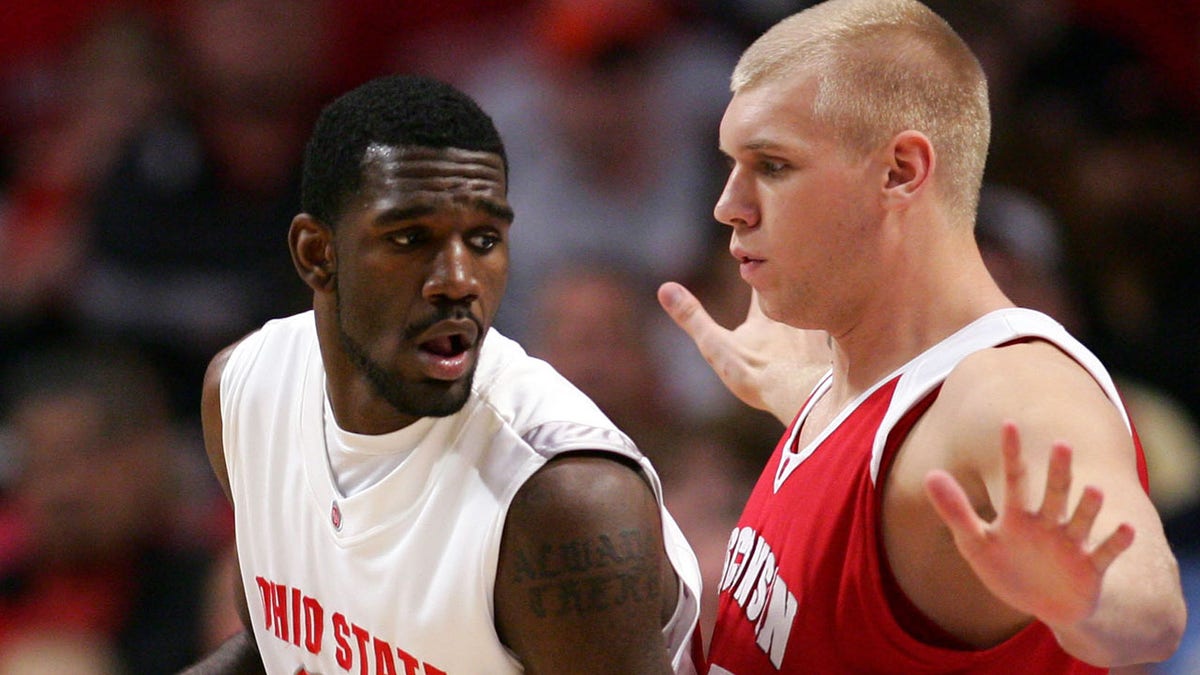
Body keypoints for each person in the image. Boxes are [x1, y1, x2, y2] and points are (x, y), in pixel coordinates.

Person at [655, 0, 1186, 672]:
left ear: (901, 170)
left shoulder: (1012, 387)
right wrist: (804, 392)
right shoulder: (869, 397)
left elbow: (1147, 607)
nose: (728, 204)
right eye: (732, 164)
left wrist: (1095, 602)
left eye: (774, 165)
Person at [182, 74, 703, 674]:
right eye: (410, 238)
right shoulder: (247, 390)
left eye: (484, 239)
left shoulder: (562, 500)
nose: (459, 279)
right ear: (316, 254)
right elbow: (282, 648)